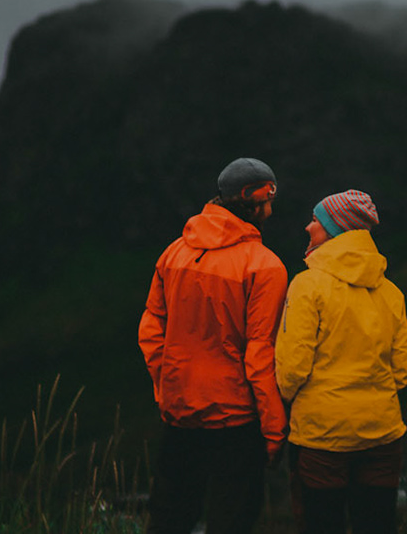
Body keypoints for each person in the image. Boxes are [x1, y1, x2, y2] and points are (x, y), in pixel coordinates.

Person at [138, 157, 289, 534]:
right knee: (231, 520)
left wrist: (166, 385)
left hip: (179, 411)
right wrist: (273, 430)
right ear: (247, 199)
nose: (270, 210)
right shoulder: (265, 267)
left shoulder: (174, 253)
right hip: (234, 420)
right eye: (267, 199)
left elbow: (151, 329)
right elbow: (259, 355)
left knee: (169, 517)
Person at [275, 190, 407, 534]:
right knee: (377, 524)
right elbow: (402, 372)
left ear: (335, 230)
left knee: (322, 524)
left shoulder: (307, 285)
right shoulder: (392, 292)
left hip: (323, 435)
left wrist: (293, 403)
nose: (308, 227)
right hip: (382, 431)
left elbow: (292, 369)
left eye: (316, 221)